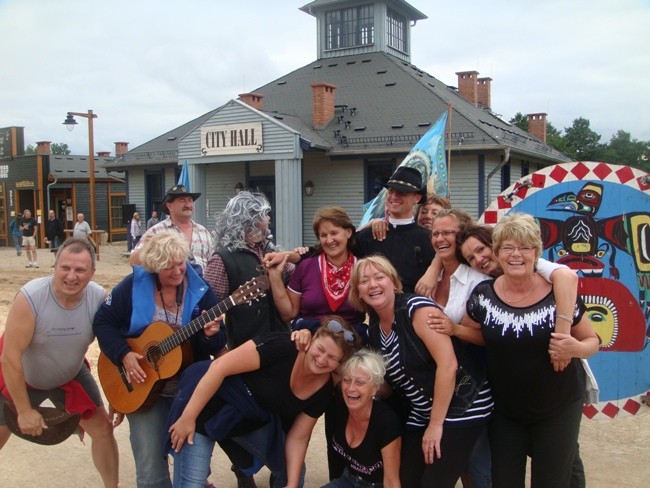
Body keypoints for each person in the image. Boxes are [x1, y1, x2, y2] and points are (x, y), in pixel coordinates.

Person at [458, 213, 599, 487]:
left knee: (551, 481)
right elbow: (475, 334)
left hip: (557, 407)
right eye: (508, 248)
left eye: (525, 248)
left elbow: (592, 341)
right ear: (497, 253)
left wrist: (575, 348)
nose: (516, 255)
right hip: (506, 410)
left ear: (536, 253)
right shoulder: (482, 295)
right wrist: (452, 330)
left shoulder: (557, 294)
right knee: (504, 481)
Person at [93, 232, 227, 488]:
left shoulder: (201, 290)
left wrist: (211, 335)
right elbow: (103, 322)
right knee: (151, 474)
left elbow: (214, 344)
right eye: (168, 267)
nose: (177, 271)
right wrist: (123, 354)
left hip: (187, 392)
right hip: (141, 387)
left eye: (180, 263)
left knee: (192, 474)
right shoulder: (132, 287)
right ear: (154, 267)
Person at [349, 255, 492, 487]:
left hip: (462, 405)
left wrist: (435, 425)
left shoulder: (417, 309)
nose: (372, 285)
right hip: (423, 411)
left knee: (434, 483)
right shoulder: (374, 330)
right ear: (358, 293)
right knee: (406, 480)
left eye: (379, 277)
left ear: (394, 282)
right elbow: (389, 386)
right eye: (364, 281)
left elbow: (448, 365)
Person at [167, 317, 358, 488]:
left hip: (248, 417)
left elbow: (299, 437)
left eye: (332, 357)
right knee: (190, 484)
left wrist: (291, 484)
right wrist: (188, 417)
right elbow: (219, 367)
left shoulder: (323, 390)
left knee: (293, 472)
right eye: (320, 349)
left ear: (339, 364)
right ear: (312, 340)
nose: (322, 359)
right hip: (206, 403)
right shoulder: (283, 346)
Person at [0, 238, 120, 487]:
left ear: (92, 273)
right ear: (54, 267)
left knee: (103, 430)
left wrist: (118, 395)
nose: (71, 276)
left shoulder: (99, 299)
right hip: (21, 374)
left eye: (80, 270)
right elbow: (10, 358)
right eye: (65, 268)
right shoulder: (31, 298)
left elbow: (114, 348)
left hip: (69, 373)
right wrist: (24, 411)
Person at [206, 191, 292, 349]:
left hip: (282, 343)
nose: (269, 218)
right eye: (264, 214)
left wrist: (300, 257)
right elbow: (210, 309)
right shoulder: (222, 259)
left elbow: (297, 280)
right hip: (246, 349)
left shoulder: (271, 251)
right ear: (250, 219)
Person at [265, 206, 365, 334]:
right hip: (309, 339)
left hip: (351, 340)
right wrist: (274, 275)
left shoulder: (362, 269)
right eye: (323, 235)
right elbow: (289, 314)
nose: (329, 240)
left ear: (348, 232)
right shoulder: (306, 266)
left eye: (334, 233)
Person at [324, 349, 401, 488]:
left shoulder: (386, 422)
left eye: (360, 382)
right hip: (348, 479)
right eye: (346, 380)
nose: (351, 388)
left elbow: (391, 481)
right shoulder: (339, 405)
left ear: (375, 388)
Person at [355, 166, 434, 293]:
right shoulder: (368, 236)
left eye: (402, 192)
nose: (394, 196)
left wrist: (434, 270)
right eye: (391, 191)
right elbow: (341, 246)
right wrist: (369, 224)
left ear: (417, 198)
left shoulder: (428, 239)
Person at [130, 185, 213, 274]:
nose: (188, 205)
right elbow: (133, 263)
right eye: (182, 200)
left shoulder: (203, 232)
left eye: (190, 200)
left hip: (202, 283)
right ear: (169, 206)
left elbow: (213, 264)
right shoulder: (156, 232)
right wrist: (147, 248)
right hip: (170, 282)